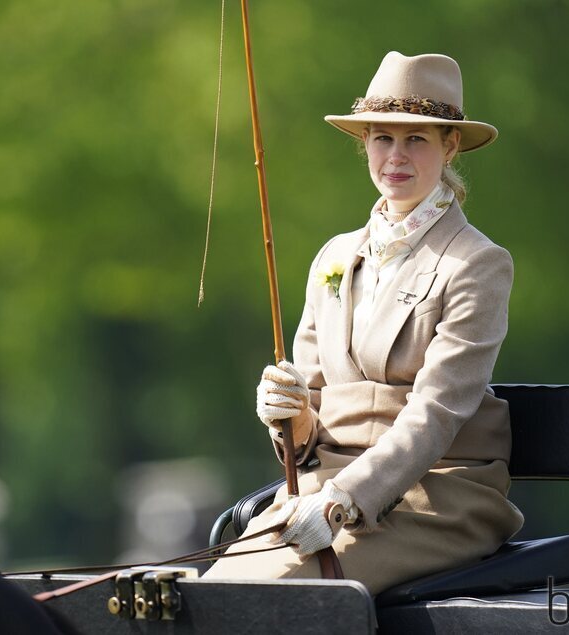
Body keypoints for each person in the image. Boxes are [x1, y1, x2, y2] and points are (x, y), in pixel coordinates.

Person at [204, 51, 524, 594]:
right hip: (321, 484)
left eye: (416, 139)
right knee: (213, 591)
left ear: (449, 147)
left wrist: (347, 497)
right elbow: (313, 412)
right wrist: (290, 415)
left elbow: (437, 413)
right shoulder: (334, 255)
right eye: (382, 138)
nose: (395, 157)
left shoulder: (477, 264)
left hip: (436, 495)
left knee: (271, 595)